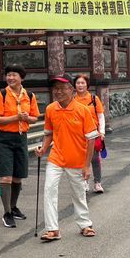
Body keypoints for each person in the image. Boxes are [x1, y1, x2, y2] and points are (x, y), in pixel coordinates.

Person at [35, 74, 99, 241]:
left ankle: (85, 224)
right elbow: (49, 134)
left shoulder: (83, 110)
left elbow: (91, 139)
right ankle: (52, 229)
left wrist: (87, 165)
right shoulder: (50, 109)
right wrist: (43, 148)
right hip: (56, 157)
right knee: (49, 190)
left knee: (78, 193)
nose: (58, 91)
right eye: (55, 88)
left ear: (71, 90)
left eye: (62, 88)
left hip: (76, 159)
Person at [0, 64, 40, 228]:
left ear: (22, 78)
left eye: (14, 75)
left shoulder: (30, 96)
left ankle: (13, 206)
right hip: (3, 138)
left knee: (18, 176)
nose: (11, 78)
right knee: (6, 176)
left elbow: (35, 118)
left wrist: (26, 118)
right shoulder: (1, 95)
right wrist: (15, 118)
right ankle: (7, 213)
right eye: (8, 75)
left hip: (21, 137)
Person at [73, 74, 106, 194]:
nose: (80, 85)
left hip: (93, 133)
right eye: (78, 83)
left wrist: (101, 131)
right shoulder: (73, 100)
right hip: (78, 135)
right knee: (81, 159)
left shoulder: (93, 99)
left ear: (87, 85)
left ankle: (97, 183)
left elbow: (100, 116)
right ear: (74, 85)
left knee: (95, 159)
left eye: (83, 83)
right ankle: (84, 182)